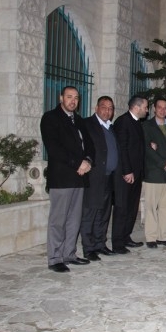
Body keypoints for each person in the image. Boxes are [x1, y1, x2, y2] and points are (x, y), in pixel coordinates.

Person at [40, 86, 95, 272]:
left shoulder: (79, 120)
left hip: (80, 178)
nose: (73, 101)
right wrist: (78, 163)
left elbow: (89, 145)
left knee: (74, 219)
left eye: (76, 98)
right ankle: (55, 258)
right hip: (62, 178)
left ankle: (69, 254)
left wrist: (88, 161)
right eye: (69, 97)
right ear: (61, 98)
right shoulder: (50, 118)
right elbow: (54, 148)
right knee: (58, 220)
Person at [80, 96, 118, 262]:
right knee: (90, 213)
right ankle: (89, 248)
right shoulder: (87, 124)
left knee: (104, 212)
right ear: (96, 108)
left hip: (108, 177)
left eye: (110, 108)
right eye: (104, 107)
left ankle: (100, 244)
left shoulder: (110, 127)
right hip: (93, 176)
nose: (107, 111)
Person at [142, 97, 166, 248]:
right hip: (154, 172)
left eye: (165, 108)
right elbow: (146, 148)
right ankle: (151, 237)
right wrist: (162, 163)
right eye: (159, 107)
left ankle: (163, 236)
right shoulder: (146, 126)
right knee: (151, 207)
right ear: (154, 108)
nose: (162, 110)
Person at [112, 95, 148, 254]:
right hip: (125, 174)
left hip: (136, 173)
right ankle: (117, 243)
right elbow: (122, 148)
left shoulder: (137, 122)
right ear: (137, 107)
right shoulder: (123, 121)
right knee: (122, 208)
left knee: (132, 208)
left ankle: (126, 236)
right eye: (145, 107)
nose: (147, 110)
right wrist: (127, 171)